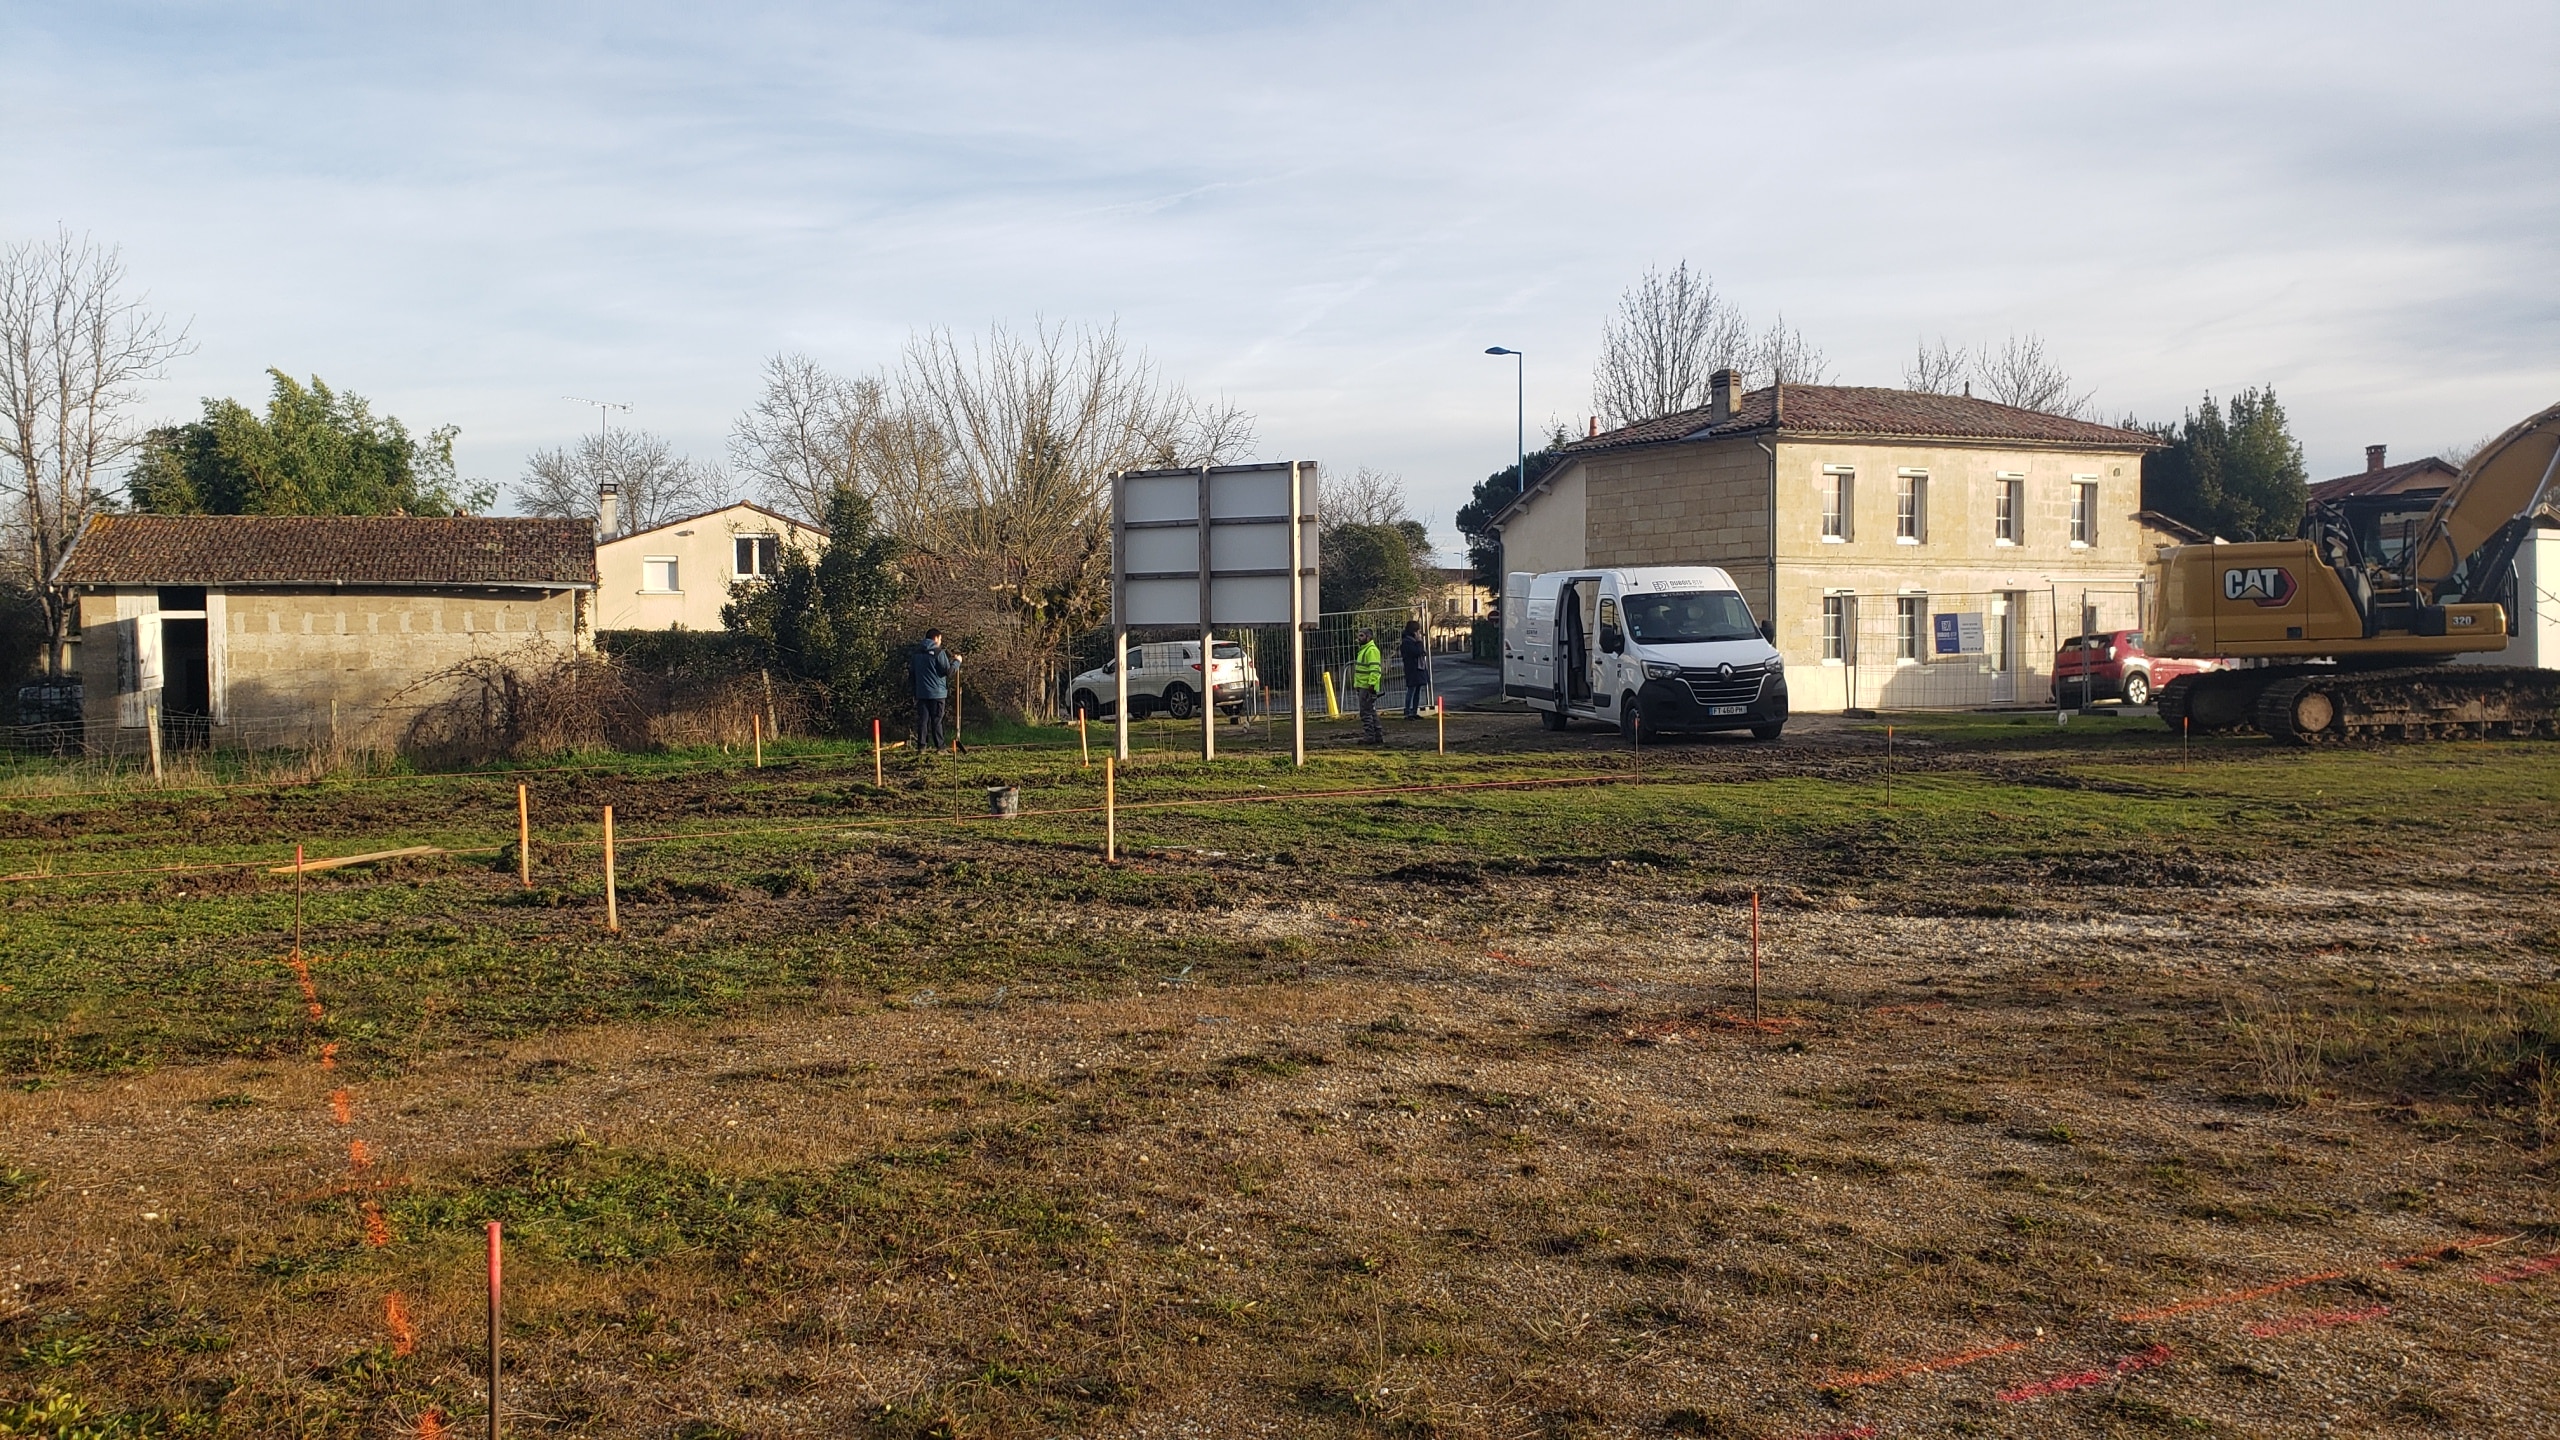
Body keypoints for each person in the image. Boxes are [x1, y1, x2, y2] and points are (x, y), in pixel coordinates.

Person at [910, 629, 959, 752]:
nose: (941, 642)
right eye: (940, 639)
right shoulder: (939, 653)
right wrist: (957, 662)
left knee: (923, 720)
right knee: (936, 720)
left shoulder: (916, 654)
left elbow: (911, 674)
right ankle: (940, 747)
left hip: (921, 693)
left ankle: (921, 747)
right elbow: (948, 672)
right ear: (936, 638)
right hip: (937, 693)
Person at [1351, 626, 1384, 744]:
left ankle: (1370, 736)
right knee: (1370, 711)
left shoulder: (1371, 651)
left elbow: (1375, 669)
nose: (1358, 638)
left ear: (1368, 637)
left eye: (1361, 636)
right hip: (1363, 686)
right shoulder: (1365, 650)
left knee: (1365, 712)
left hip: (1367, 687)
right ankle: (1377, 736)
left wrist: (1372, 684)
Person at [1400, 619, 1430, 720]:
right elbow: (1417, 652)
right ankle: (1408, 711)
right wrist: (1419, 642)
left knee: (1417, 690)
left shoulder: (1412, 641)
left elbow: (1422, 652)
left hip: (1418, 668)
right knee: (1411, 690)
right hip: (1412, 669)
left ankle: (1414, 711)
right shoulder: (1407, 642)